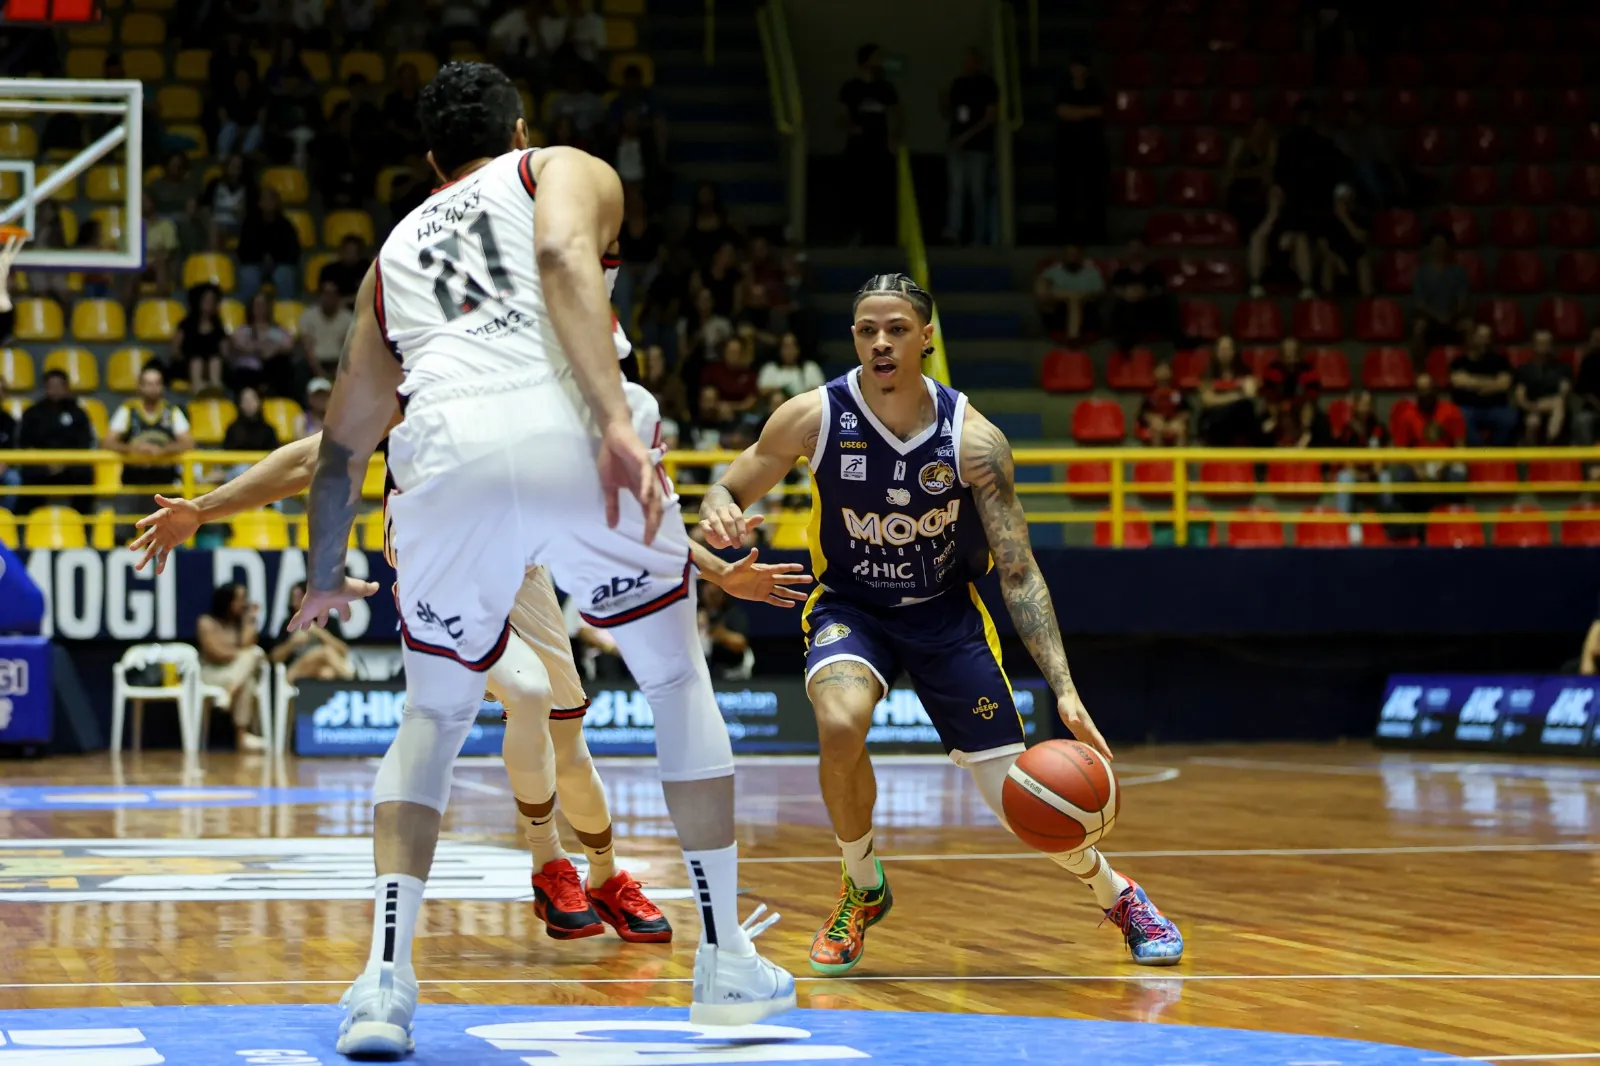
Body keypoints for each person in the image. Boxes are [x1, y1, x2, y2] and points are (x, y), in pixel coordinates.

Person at [237, 63, 798, 1054]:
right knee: (674, 676)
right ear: (520, 127)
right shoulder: (560, 169)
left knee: (432, 714)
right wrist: (617, 418)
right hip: (571, 427)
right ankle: (723, 960)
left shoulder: (392, 252)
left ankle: (382, 985)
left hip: (444, 458)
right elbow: (559, 257)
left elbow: (339, 447)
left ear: (429, 161)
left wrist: (326, 571)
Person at [699, 273, 1183, 976]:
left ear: (927, 338)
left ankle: (1120, 895)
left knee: (1022, 798)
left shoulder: (975, 441)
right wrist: (717, 508)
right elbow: (731, 482)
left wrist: (1066, 690)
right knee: (838, 724)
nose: (881, 342)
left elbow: (1016, 570)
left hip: (947, 616)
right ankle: (861, 886)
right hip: (850, 608)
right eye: (867, 329)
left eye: (896, 328)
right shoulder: (813, 416)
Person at [838, 44, 901, 246]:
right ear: (865, 61)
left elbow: (897, 114)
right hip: (857, 148)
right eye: (876, 57)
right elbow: (841, 115)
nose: (879, 62)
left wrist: (894, 137)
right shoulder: (850, 87)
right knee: (856, 191)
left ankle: (878, 236)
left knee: (879, 193)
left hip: (880, 147)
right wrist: (851, 128)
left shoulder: (885, 88)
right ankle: (855, 233)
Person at [196, 581, 268, 751]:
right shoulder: (206, 622)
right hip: (211, 673)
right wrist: (240, 654)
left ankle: (240, 735)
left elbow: (248, 643)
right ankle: (241, 733)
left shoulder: (239, 623)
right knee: (253, 656)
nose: (244, 603)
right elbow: (215, 653)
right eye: (240, 599)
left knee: (249, 676)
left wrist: (250, 620)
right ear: (227, 600)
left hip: (234, 675)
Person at [106, 367, 194, 502]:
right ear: (140, 387)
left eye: (157, 383)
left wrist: (163, 450)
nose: (153, 388)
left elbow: (188, 443)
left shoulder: (171, 411)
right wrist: (133, 449)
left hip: (166, 483)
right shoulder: (128, 410)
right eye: (149, 384)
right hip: (133, 483)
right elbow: (107, 442)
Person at [18, 368, 97, 515]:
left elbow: (85, 444)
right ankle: (25, 527)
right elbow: (25, 444)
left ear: (67, 388)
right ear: (46, 388)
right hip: (41, 466)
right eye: (51, 386)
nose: (55, 390)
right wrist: (45, 463)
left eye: (59, 385)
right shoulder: (32, 412)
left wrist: (64, 463)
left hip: (70, 466)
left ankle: (85, 526)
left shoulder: (78, 413)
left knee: (86, 474)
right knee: (28, 475)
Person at [941, 47, 998, 246]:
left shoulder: (987, 84)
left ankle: (978, 237)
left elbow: (990, 117)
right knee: (956, 189)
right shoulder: (958, 84)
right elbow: (950, 114)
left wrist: (966, 136)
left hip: (978, 146)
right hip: (957, 145)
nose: (966, 65)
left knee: (977, 192)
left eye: (970, 61)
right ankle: (953, 231)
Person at [1054, 56, 1107, 244]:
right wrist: (1086, 112)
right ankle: (1065, 236)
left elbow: (1099, 111)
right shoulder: (1063, 88)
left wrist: (1075, 112)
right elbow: (1061, 111)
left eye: (1081, 66)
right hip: (1067, 149)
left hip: (1091, 149)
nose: (1078, 70)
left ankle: (1096, 236)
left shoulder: (1095, 88)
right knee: (1066, 194)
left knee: (1093, 193)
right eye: (1075, 66)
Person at [272, 580, 355, 683]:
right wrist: (292, 644)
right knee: (323, 652)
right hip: (296, 672)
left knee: (326, 673)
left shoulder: (329, 621)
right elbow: (275, 657)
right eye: (293, 599)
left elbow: (343, 651)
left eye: (299, 598)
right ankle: (351, 678)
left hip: (321, 669)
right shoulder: (289, 623)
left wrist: (319, 632)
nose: (294, 603)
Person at [1449, 323, 1517, 445]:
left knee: (1509, 417)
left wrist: (1472, 383)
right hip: (1468, 408)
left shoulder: (1500, 361)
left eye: (1487, 337)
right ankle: (1480, 454)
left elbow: (1504, 384)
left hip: (1496, 407)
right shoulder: (1459, 362)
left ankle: (1497, 454)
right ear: (1472, 338)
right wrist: (1491, 384)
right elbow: (1458, 382)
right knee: (1460, 416)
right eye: (1481, 337)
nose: (1484, 341)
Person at [1107, 240, 1179, 352]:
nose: (1136, 253)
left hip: (1150, 309)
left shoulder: (1154, 272)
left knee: (1170, 300)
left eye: (1138, 249)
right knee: (1121, 306)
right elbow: (1115, 290)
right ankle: (1125, 345)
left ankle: (1172, 341)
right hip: (1126, 309)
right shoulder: (1120, 274)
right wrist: (1127, 294)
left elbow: (1159, 289)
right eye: (1132, 250)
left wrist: (1144, 294)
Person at [1411, 230, 1471, 355]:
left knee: (1469, 327)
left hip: (1453, 318)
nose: (1439, 248)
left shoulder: (1459, 273)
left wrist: (1451, 315)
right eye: (1436, 244)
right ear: (1431, 247)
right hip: (1430, 319)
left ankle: (1467, 365)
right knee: (1418, 328)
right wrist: (1438, 317)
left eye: (1442, 244)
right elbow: (1420, 304)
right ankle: (1420, 369)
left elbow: (1462, 302)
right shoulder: (1421, 274)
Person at [229, 289, 298, 397]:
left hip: (272, 368)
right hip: (248, 371)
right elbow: (238, 343)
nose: (259, 308)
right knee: (242, 371)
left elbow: (289, 345)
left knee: (283, 364)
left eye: (262, 304)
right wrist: (263, 347)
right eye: (256, 304)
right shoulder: (243, 329)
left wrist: (272, 349)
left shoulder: (278, 330)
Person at [236, 186, 302, 297]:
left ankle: (285, 310)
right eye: (266, 199)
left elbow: (293, 251)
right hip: (254, 263)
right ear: (260, 203)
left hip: (280, 264)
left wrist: (274, 258)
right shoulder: (249, 223)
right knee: (248, 275)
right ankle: (248, 310)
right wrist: (261, 258)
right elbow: (243, 251)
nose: (269, 203)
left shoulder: (286, 225)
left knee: (284, 275)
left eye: (272, 200)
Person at [1197, 336, 1260, 446]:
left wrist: (1221, 399)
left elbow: (1250, 394)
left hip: (1238, 420)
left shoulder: (1244, 371)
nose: (1224, 352)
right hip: (1216, 419)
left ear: (1234, 351)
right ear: (1216, 352)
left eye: (1228, 349)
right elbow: (1207, 400)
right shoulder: (1208, 374)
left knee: (1246, 408)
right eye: (1221, 349)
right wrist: (1236, 396)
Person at [1034, 245, 1104, 342]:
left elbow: (1098, 292)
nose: (1073, 257)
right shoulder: (1053, 272)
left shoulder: (1092, 273)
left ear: (1081, 256)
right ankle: (1065, 334)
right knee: (1063, 301)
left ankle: (1075, 337)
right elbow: (1041, 292)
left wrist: (1077, 297)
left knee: (1082, 302)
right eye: (1070, 254)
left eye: (1075, 254)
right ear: (1064, 256)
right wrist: (1066, 295)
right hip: (1060, 305)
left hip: (1085, 305)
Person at [1514, 329, 1571, 445]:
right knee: (1532, 422)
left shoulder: (1563, 368)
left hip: (1556, 409)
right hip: (1530, 408)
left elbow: (1564, 393)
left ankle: (1551, 446)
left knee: (1558, 403)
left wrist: (1549, 403)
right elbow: (1520, 397)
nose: (1544, 347)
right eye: (1540, 343)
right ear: (1533, 345)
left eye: (1547, 343)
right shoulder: (1524, 369)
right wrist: (1533, 407)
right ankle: (1532, 459)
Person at [172, 282, 230, 392]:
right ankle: (198, 388)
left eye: (212, 300)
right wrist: (186, 361)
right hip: (189, 364)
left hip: (212, 366)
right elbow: (175, 349)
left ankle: (215, 388)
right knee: (196, 361)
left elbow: (225, 352)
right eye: (206, 299)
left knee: (215, 361)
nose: (209, 303)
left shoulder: (218, 326)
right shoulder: (186, 324)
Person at [299, 280, 354, 380]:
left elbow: (347, 348)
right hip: (314, 363)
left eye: (333, 295)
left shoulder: (348, 318)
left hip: (339, 361)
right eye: (326, 294)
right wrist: (319, 371)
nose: (329, 299)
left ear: (338, 297)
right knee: (300, 366)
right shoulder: (308, 316)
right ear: (320, 296)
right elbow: (308, 346)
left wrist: (338, 370)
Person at [757, 332, 824, 411]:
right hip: (778, 407)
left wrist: (795, 398)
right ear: (780, 349)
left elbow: (818, 391)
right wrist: (782, 391)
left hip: (803, 407)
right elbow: (762, 391)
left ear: (798, 349)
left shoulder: (810, 367)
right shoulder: (770, 368)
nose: (789, 351)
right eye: (785, 347)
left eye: (792, 346)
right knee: (777, 398)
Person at [1138, 361, 1188, 445]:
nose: (1163, 373)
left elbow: (1186, 411)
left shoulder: (1178, 391)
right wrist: (1153, 418)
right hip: (1156, 422)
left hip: (1174, 422)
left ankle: (1180, 457)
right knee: (1156, 427)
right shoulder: (1149, 392)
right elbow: (1143, 413)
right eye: (1160, 370)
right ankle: (1157, 458)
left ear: (1171, 373)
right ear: (1154, 373)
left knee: (1180, 429)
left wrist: (1178, 420)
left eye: (1165, 370)